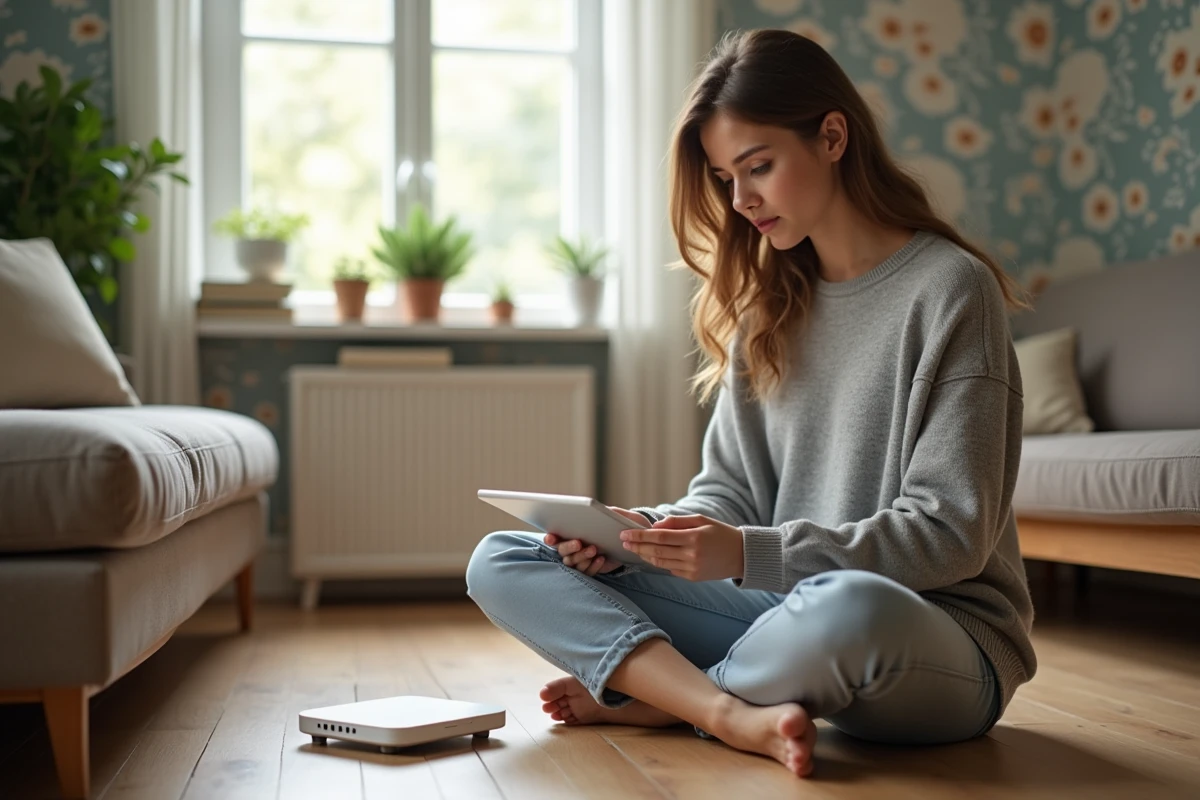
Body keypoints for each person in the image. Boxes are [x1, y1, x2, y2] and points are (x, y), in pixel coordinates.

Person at [466, 28, 1036, 779]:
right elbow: (726, 493)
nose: (741, 201)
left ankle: (667, 698)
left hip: (933, 635)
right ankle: (724, 711)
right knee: (504, 558)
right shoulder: (768, 306)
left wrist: (745, 552)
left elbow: (950, 535)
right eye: (725, 177)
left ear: (832, 136)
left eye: (758, 166)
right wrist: (638, 536)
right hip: (779, 617)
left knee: (845, 606)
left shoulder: (951, 290)